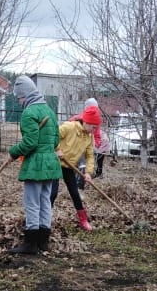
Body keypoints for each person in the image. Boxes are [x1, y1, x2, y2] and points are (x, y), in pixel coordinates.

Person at [8, 75, 62, 255]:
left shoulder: (29, 113)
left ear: (25, 95)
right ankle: (43, 242)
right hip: (51, 164)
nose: (19, 101)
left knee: (32, 203)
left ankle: (31, 244)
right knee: (45, 201)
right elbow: (56, 141)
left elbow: (30, 143)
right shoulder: (49, 111)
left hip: (35, 166)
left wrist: (13, 151)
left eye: (19, 97)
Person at [51, 103, 100, 230]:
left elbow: (90, 156)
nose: (94, 130)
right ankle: (45, 219)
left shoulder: (89, 137)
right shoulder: (69, 127)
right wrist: (57, 149)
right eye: (93, 127)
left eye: (96, 128)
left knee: (75, 192)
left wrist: (88, 172)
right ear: (87, 122)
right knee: (53, 193)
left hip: (69, 166)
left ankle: (83, 220)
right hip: (55, 163)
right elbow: (52, 136)